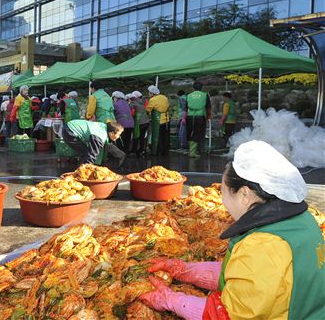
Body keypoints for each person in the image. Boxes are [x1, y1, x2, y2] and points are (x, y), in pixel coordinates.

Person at [139, 140, 325, 319]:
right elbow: (249, 277)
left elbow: (227, 315)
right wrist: (185, 270)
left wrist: (171, 301)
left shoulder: (262, 244)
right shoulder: (299, 220)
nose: (222, 200)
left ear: (244, 194)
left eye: (223, 191)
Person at [186, 82, 211, 158]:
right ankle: (193, 152)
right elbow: (208, 107)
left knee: (189, 132)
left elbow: (186, 107)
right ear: (202, 88)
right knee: (197, 133)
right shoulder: (205, 95)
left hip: (189, 116)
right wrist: (209, 116)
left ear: (193, 88)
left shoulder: (189, 95)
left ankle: (191, 150)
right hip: (200, 117)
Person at [145, 85, 170, 156]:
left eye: (149, 93)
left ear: (152, 93)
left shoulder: (153, 100)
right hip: (167, 120)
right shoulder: (165, 97)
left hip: (158, 120)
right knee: (165, 136)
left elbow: (148, 109)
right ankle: (165, 152)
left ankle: (158, 152)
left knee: (158, 137)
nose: (148, 94)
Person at [129, 91, 150, 157]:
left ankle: (134, 150)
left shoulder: (133, 103)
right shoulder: (142, 102)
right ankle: (142, 150)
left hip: (139, 122)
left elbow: (131, 113)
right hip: (146, 122)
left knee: (136, 136)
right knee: (142, 137)